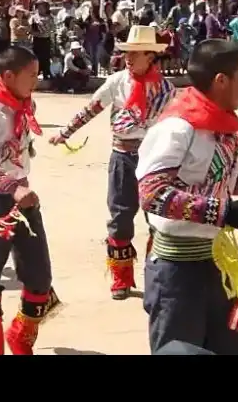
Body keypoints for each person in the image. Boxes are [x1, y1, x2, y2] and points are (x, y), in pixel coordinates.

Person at [136, 38, 238, 355]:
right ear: (221, 81)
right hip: (177, 271)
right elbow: (153, 193)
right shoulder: (178, 127)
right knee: (181, 350)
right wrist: (222, 213)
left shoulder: (219, 123)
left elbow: (216, 176)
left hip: (217, 263)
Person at [50, 25, 176, 299]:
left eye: (135, 53)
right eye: (126, 53)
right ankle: (121, 277)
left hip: (154, 159)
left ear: (151, 56)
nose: (128, 58)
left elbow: (175, 128)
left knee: (158, 217)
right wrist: (65, 133)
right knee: (120, 215)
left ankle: (157, 276)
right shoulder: (118, 81)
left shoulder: (167, 90)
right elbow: (91, 109)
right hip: (122, 155)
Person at [0, 45, 60, 355]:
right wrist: (11, 186)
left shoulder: (23, 102)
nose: (37, 79)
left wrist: (21, 187)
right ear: (8, 76)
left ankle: (20, 337)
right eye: (31, 75)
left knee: (40, 279)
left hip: (23, 198)